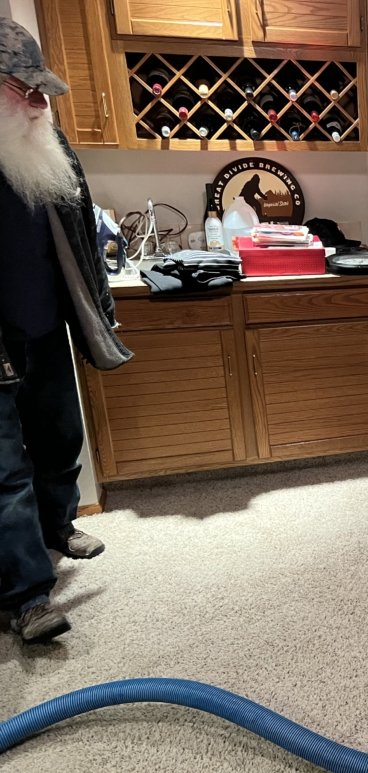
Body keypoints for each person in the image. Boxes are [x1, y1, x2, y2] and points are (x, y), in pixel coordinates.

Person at [0, 17, 132, 643]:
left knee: (59, 439)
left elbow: (79, 239)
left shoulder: (50, 147)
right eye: (24, 90)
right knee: (5, 472)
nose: (38, 103)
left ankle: (58, 526)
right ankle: (29, 596)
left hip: (47, 327)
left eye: (41, 92)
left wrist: (98, 310)